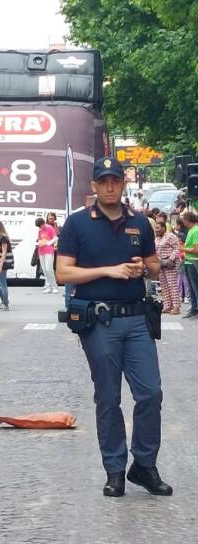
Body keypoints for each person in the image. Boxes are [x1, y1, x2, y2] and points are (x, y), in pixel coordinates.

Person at [55, 156, 170, 498]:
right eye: (103, 181)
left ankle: (144, 465)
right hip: (99, 319)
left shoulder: (141, 223)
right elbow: (64, 273)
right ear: (93, 185)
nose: (109, 186)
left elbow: (153, 265)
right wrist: (108, 271)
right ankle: (115, 469)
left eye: (114, 181)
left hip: (136, 318)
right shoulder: (77, 223)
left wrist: (142, 267)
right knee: (108, 398)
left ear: (122, 184)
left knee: (151, 392)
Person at [154, 220, 182, 315]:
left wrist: (171, 259)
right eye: (155, 228)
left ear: (163, 228)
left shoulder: (171, 236)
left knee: (172, 285)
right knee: (164, 285)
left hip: (171, 263)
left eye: (157, 228)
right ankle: (167, 306)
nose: (156, 230)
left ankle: (176, 307)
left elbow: (177, 248)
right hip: (161, 263)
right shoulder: (157, 238)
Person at [180, 212, 198, 320]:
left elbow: (196, 249)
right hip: (188, 261)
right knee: (191, 287)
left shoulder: (195, 230)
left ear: (188, 219)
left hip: (193, 262)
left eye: (184, 219)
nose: (183, 222)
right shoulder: (190, 230)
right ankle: (194, 307)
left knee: (195, 287)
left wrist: (183, 249)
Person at [36, 216, 59, 293]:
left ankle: (54, 286)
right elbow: (39, 239)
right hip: (41, 250)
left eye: (40, 226)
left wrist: (48, 243)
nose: (40, 227)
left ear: (43, 223)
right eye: (39, 226)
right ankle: (48, 286)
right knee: (45, 270)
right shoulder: (39, 230)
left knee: (49, 269)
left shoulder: (49, 228)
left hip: (49, 250)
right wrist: (39, 243)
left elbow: (56, 238)